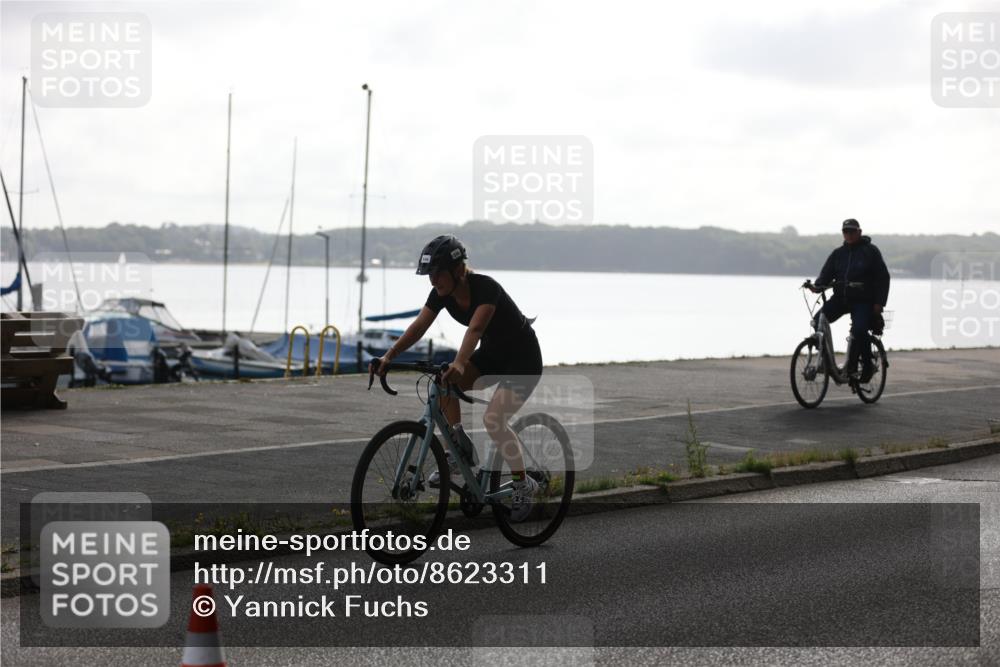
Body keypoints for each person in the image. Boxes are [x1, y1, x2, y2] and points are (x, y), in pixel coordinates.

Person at [370, 235, 544, 520]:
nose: (433, 280)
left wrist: (460, 363)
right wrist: (389, 356)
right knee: (443, 383)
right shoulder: (441, 293)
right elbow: (419, 326)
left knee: (494, 419)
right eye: (429, 274)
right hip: (493, 355)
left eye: (438, 273)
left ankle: (523, 484)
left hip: (522, 359)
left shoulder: (486, 289)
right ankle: (458, 450)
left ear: (458, 270)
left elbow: (475, 330)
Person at [810, 218, 890, 382]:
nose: (849, 234)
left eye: (852, 231)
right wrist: (817, 286)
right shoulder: (838, 254)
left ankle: (867, 366)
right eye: (846, 231)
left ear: (859, 232)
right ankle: (825, 360)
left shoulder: (870, 251)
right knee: (818, 321)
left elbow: (883, 278)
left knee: (859, 331)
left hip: (863, 301)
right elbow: (826, 275)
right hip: (841, 299)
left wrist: (879, 303)